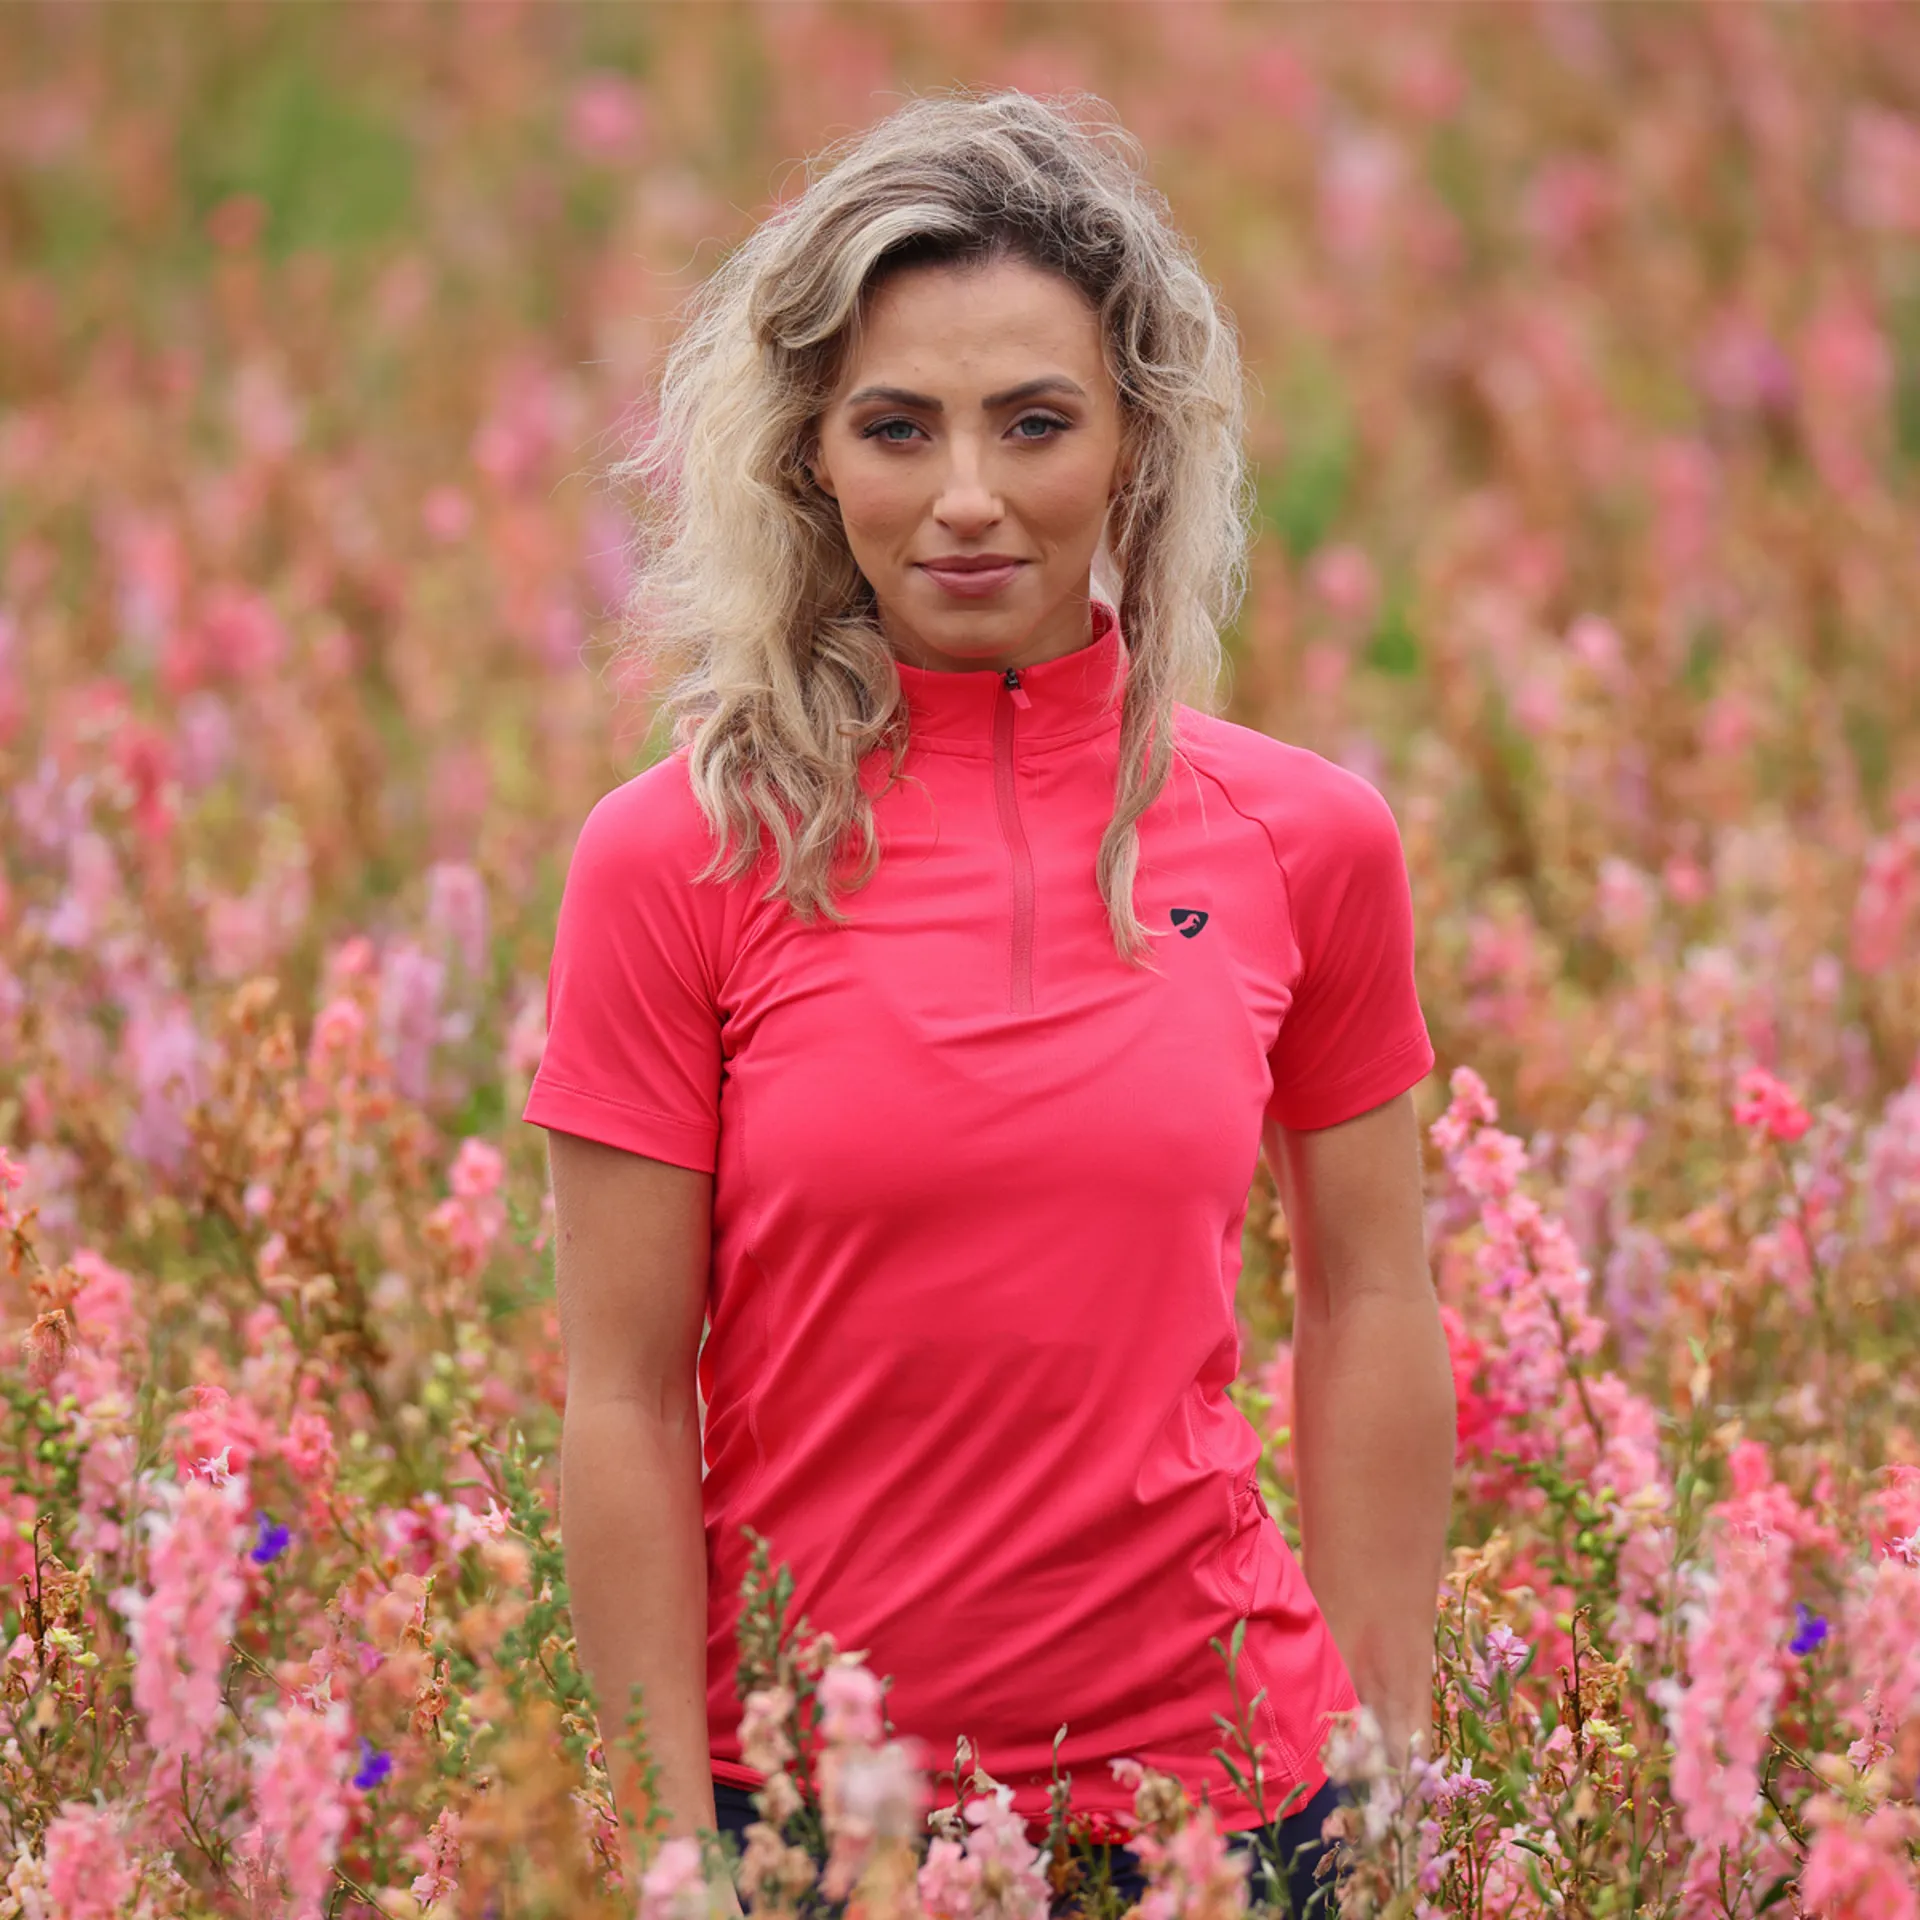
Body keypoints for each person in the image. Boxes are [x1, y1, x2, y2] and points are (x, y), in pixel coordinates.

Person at [524, 88, 1455, 1919]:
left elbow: (1369, 1297)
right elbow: (622, 1395)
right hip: (809, 1819)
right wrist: (671, 1846)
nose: (966, 497)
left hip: (1234, 1817)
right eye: (898, 427)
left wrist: (1381, 1772)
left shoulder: (1307, 839)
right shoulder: (679, 856)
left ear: (1134, 445)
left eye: (1035, 422)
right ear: (812, 456)